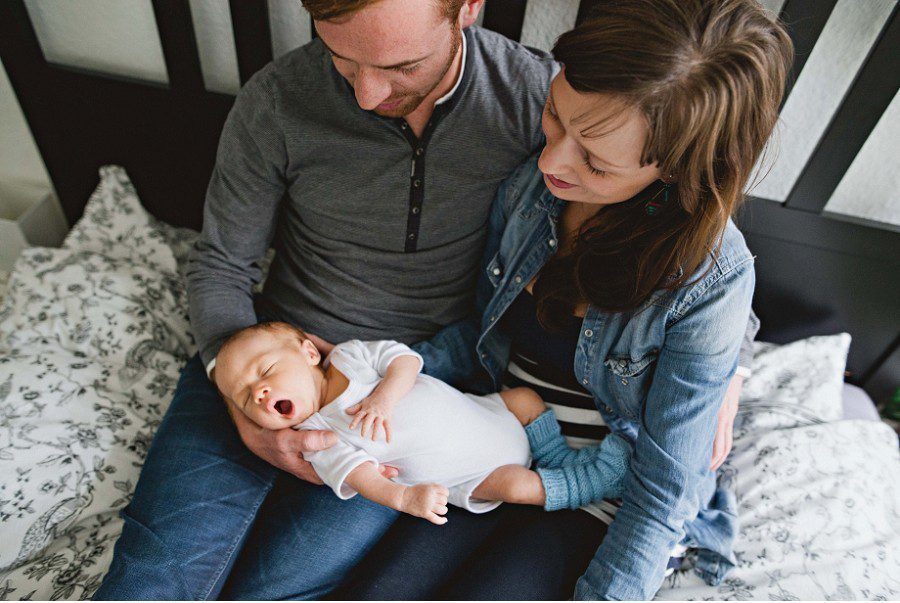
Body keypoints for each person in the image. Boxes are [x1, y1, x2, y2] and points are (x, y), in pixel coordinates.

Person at [94, 0, 757, 599]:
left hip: (411, 399)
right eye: (340, 57)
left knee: (286, 584)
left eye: (399, 64)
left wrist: (723, 369)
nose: (364, 92)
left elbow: (697, 258)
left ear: (468, 8)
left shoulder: (534, 101)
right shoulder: (277, 102)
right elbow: (219, 261)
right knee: (153, 576)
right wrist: (236, 391)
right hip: (271, 359)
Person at [333, 0, 792, 599]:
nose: (551, 161)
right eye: (555, 115)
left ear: (677, 172)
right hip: (498, 439)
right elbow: (478, 331)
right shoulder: (534, 191)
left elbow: (661, 490)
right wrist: (361, 375)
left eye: (596, 164)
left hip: (603, 485)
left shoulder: (709, 281)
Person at [213, 321, 631, 519]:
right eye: (247, 398)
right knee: (520, 487)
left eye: (265, 372)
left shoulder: (348, 356)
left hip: (489, 412)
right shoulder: (318, 438)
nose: (260, 392)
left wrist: (383, 397)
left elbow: (404, 359)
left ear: (308, 353)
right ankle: (595, 481)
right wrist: (403, 499)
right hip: (476, 473)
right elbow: (363, 477)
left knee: (523, 398)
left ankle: (557, 457)